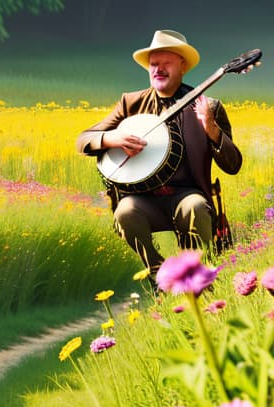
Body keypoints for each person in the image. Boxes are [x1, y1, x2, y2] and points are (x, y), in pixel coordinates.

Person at [77, 29, 243, 271]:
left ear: (183, 66)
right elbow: (83, 139)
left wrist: (212, 129)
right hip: (144, 199)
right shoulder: (130, 103)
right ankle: (159, 275)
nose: (158, 69)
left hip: (187, 196)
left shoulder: (210, 107)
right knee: (125, 212)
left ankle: (196, 278)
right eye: (154, 64)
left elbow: (233, 165)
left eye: (166, 63)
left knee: (195, 208)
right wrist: (111, 138)